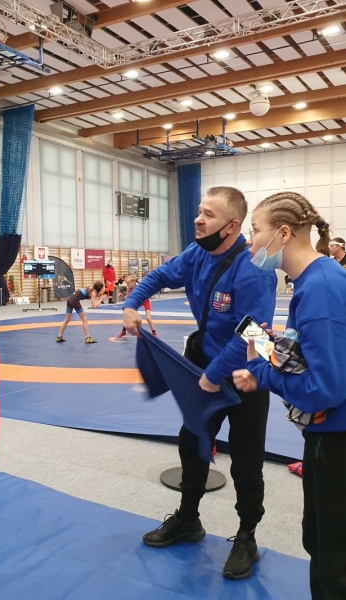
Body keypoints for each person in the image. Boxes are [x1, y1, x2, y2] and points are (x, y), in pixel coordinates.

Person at [123, 186, 277, 580]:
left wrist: (214, 374)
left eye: (208, 214)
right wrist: (131, 304)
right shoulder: (197, 253)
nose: (198, 219)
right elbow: (160, 275)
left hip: (246, 374)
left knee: (246, 459)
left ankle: (247, 536)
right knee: (191, 444)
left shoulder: (255, 269)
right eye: (199, 211)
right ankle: (188, 520)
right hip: (205, 365)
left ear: (231, 226)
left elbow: (253, 334)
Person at [232, 191, 346, 600]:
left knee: (333, 559)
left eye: (255, 230)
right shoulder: (315, 280)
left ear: (283, 233)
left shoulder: (321, 288)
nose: (250, 242)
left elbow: (323, 389)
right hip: (326, 438)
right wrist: (276, 349)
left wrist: (261, 372)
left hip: (336, 440)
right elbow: (319, 355)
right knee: (318, 540)